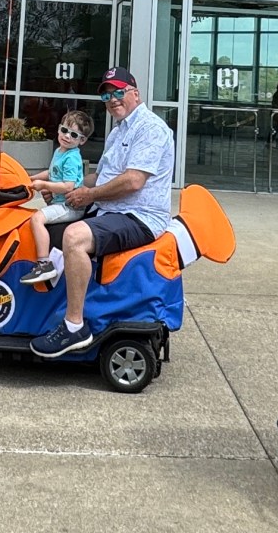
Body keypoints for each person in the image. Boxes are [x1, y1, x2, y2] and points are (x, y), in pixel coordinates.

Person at [29, 71, 175, 357]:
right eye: (106, 95)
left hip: (141, 216)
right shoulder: (119, 130)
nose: (112, 99)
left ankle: (74, 327)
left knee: (74, 236)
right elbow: (101, 177)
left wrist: (89, 195)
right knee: (45, 229)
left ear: (135, 93)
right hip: (111, 210)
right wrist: (67, 191)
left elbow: (133, 181)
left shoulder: (150, 128)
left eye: (118, 91)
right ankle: (42, 314)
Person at [25, 109, 95, 279]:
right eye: (64, 130)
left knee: (37, 219)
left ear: (82, 140)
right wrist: (30, 178)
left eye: (73, 134)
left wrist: (43, 185)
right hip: (58, 203)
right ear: (58, 129)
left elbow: (68, 186)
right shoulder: (59, 151)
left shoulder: (71, 157)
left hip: (69, 206)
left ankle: (44, 264)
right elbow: (51, 173)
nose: (67, 136)